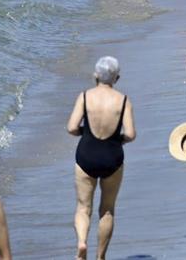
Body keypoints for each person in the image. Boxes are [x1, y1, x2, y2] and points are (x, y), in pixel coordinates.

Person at [67, 56, 136, 260]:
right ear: (117, 78)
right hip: (112, 157)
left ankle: (81, 243)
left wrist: (86, 134)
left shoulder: (85, 97)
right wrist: (117, 140)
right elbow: (131, 134)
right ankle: (100, 256)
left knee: (82, 206)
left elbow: (71, 127)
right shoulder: (122, 100)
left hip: (87, 154)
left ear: (95, 75)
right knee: (107, 210)